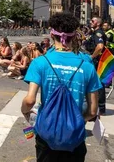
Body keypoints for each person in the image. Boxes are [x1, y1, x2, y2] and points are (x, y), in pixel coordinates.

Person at [21, 13, 102, 162]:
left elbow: (30, 100)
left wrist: (25, 112)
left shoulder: (40, 62)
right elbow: (92, 111)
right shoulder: (87, 67)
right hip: (75, 136)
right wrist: (78, 120)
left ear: (52, 34)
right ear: (75, 36)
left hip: (47, 134)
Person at [84, 16, 107, 116]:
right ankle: (95, 105)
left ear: (98, 23)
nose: (90, 22)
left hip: (96, 61)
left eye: (92, 21)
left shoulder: (98, 33)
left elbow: (100, 46)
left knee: (98, 83)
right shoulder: (94, 32)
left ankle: (100, 107)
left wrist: (92, 57)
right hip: (94, 60)